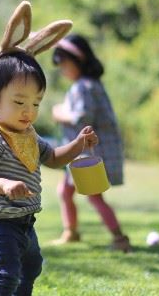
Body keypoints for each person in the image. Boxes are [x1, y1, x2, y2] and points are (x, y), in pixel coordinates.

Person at [0, 2, 98, 296]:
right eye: (19, 102)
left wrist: (79, 146)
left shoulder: (28, 135)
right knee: (6, 271)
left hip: (24, 220)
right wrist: (3, 185)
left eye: (36, 103)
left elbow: (53, 158)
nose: (29, 111)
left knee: (33, 264)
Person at [51, 33, 132, 253]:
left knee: (94, 196)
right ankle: (71, 232)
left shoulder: (83, 86)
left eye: (63, 63)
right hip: (84, 153)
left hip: (91, 153)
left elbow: (82, 117)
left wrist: (59, 113)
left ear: (78, 60)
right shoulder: (90, 84)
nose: (61, 69)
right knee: (65, 192)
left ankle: (119, 238)